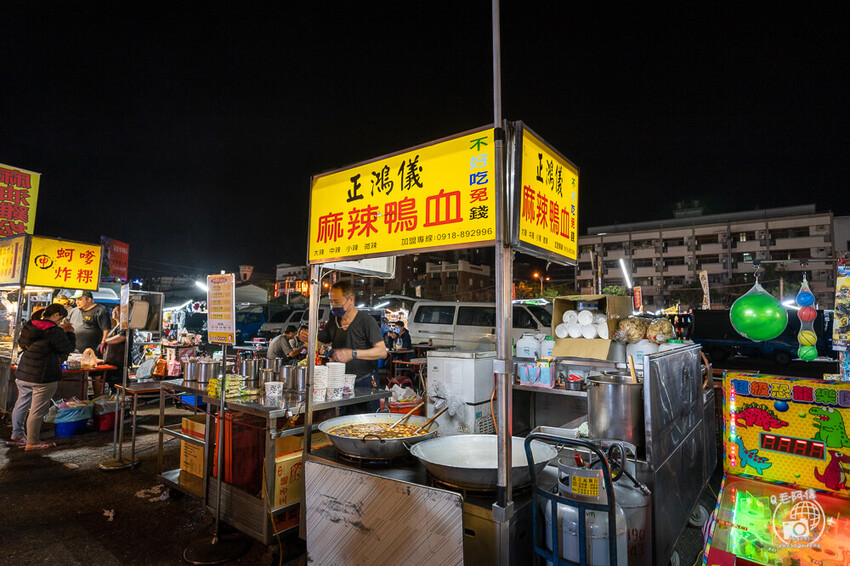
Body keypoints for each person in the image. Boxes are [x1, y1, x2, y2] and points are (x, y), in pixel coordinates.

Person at [299, 281, 386, 396]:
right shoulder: (333, 321)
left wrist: (353, 353)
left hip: (365, 382)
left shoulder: (366, 321)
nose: (333, 305)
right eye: (331, 301)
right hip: (339, 381)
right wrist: (307, 337)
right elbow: (319, 342)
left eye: (336, 301)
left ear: (350, 300)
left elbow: (382, 352)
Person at [9, 304, 76, 450]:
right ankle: (32, 442)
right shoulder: (54, 331)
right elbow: (68, 348)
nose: (60, 322)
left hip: (24, 372)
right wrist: (70, 333)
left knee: (21, 403)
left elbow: (21, 344)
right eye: (60, 319)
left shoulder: (30, 325)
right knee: (37, 410)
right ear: (56, 315)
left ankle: (17, 434)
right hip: (43, 376)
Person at [101, 306, 133, 390]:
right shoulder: (116, 326)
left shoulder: (124, 326)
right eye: (113, 311)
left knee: (118, 382)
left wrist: (105, 341)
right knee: (112, 381)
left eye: (117, 311)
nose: (114, 313)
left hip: (120, 360)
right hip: (112, 359)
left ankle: (119, 395)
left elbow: (121, 337)